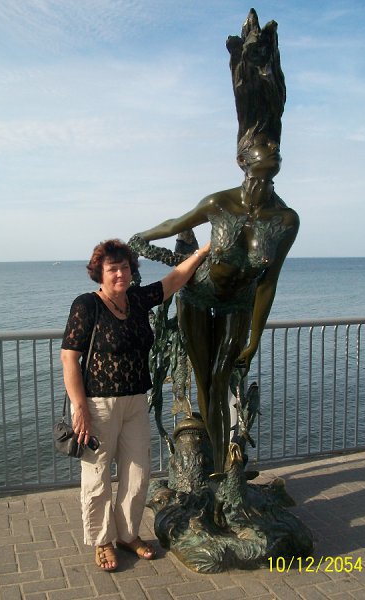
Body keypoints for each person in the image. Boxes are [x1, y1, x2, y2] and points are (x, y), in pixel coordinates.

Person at [132, 131, 298, 478]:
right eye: (262, 145)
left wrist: (255, 339)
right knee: (205, 377)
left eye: (273, 145)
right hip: (197, 293)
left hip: (238, 302)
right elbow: (175, 224)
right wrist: (140, 238)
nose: (272, 146)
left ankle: (221, 464)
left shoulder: (286, 220)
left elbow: (268, 282)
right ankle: (216, 463)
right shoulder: (219, 202)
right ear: (242, 161)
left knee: (220, 379)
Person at [60, 238, 210, 571]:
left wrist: (202, 253)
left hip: (136, 401)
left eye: (125, 268)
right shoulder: (87, 305)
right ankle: (102, 540)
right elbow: (69, 357)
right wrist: (79, 407)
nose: (120, 274)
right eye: (112, 269)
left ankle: (127, 534)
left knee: (138, 473)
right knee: (97, 476)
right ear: (100, 273)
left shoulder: (138, 300)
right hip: (97, 404)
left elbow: (173, 280)